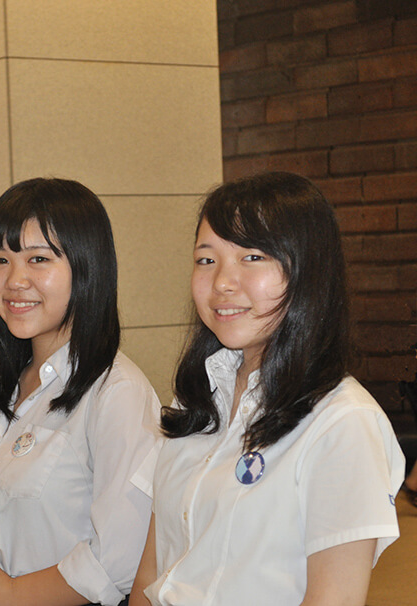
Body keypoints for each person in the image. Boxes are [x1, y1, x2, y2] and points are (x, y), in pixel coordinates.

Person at [129, 172, 405, 606]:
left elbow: (332, 598)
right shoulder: (198, 397)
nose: (222, 281)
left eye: (253, 257)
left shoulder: (344, 421)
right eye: (206, 260)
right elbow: (153, 571)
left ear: (307, 269)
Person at [0, 178, 161, 606]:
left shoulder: (118, 392)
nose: (15, 280)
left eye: (39, 259)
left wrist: (11, 593)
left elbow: (121, 560)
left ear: (87, 267)